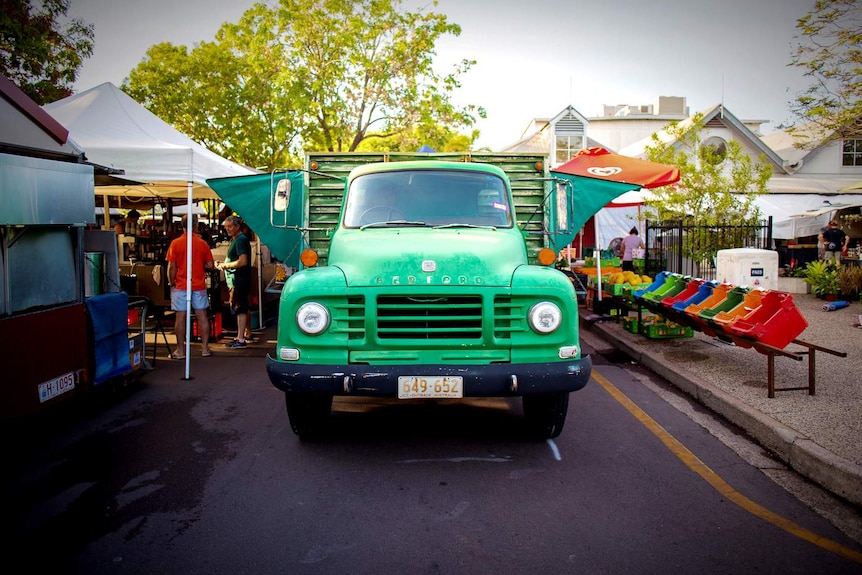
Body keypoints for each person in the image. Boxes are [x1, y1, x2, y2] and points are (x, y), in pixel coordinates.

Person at [166, 214, 215, 358]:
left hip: (181, 284)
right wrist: (199, 266)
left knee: (180, 317)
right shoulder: (202, 243)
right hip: (198, 284)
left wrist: (171, 282)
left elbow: (171, 267)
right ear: (196, 226)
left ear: (182, 226)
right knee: (202, 316)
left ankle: (180, 350)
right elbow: (210, 265)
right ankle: (205, 349)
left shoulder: (175, 243)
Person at [217, 215, 252, 348]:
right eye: (226, 227)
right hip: (238, 279)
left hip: (238, 280)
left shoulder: (240, 240)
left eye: (230, 226)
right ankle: (243, 335)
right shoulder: (238, 240)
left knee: (240, 309)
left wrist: (226, 265)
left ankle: (240, 339)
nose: (227, 229)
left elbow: (243, 261)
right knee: (243, 307)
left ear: (237, 226)